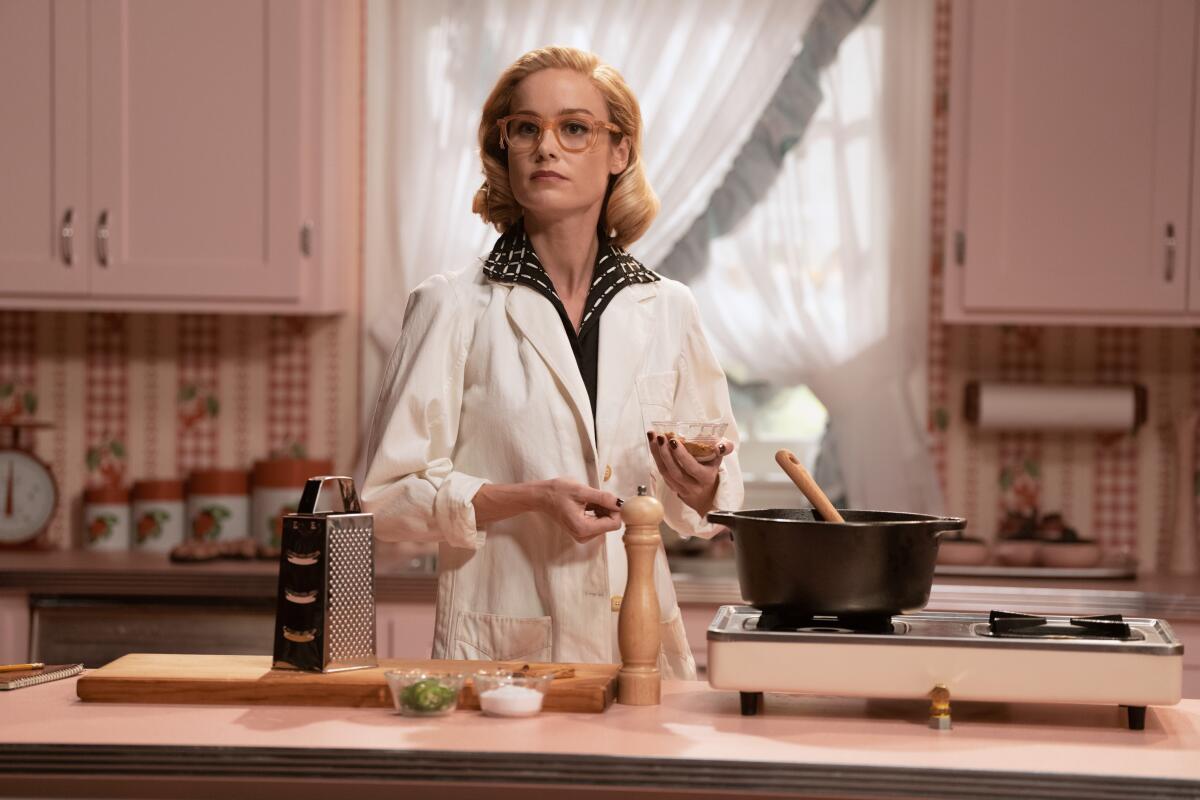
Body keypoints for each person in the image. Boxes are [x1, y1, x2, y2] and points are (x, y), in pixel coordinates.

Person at [362, 46, 743, 679]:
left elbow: (709, 500)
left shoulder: (669, 309)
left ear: (618, 151)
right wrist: (531, 498)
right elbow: (385, 498)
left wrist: (703, 488)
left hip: (641, 649)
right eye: (526, 128)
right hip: (503, 659)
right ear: (504, 148)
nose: (547, 147)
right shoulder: (452, 306)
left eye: (573, 128)